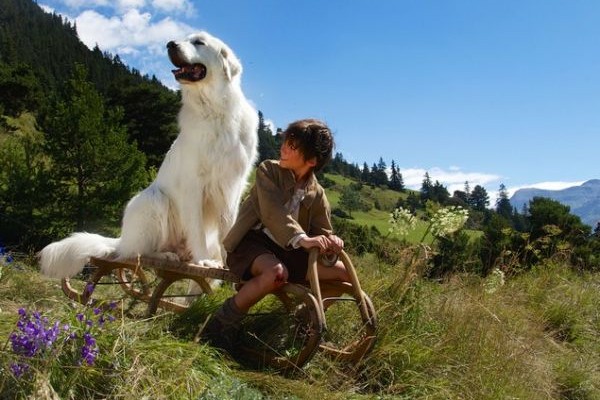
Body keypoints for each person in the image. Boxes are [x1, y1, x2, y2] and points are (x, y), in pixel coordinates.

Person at [201, 118, 350, 352]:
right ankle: (220, 325)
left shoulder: (317, 193)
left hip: (289, 250)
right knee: (276, 273)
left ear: (311, 160)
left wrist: (330, 243)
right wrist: (302, 238)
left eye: (293, 146)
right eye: (286, 141)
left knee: (343, 273)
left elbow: (322, 230)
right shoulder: (268, 170)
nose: (283, 148)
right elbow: (273, 213)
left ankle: (303, 321)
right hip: (251, 243)